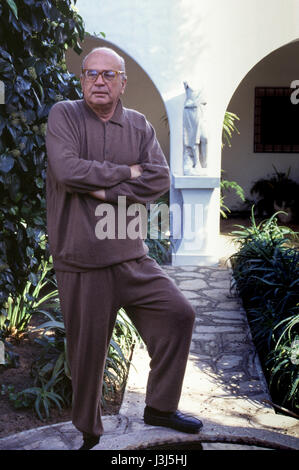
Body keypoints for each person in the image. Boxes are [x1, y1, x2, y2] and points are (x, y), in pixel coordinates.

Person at [45, 46, 203, 451]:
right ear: (82, 79)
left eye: (108, 75)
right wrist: (123, 173)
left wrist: (99, 188)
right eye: (91, 74)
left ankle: (160, 407)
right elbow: (67, 169)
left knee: (178, 315)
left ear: (122, 82)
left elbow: (158, 180)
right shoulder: (65, 114)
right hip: (81, 259)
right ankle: (89, 434)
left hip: (131, 255)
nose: (99, 81)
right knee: (87, 354)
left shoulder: (138, 125)